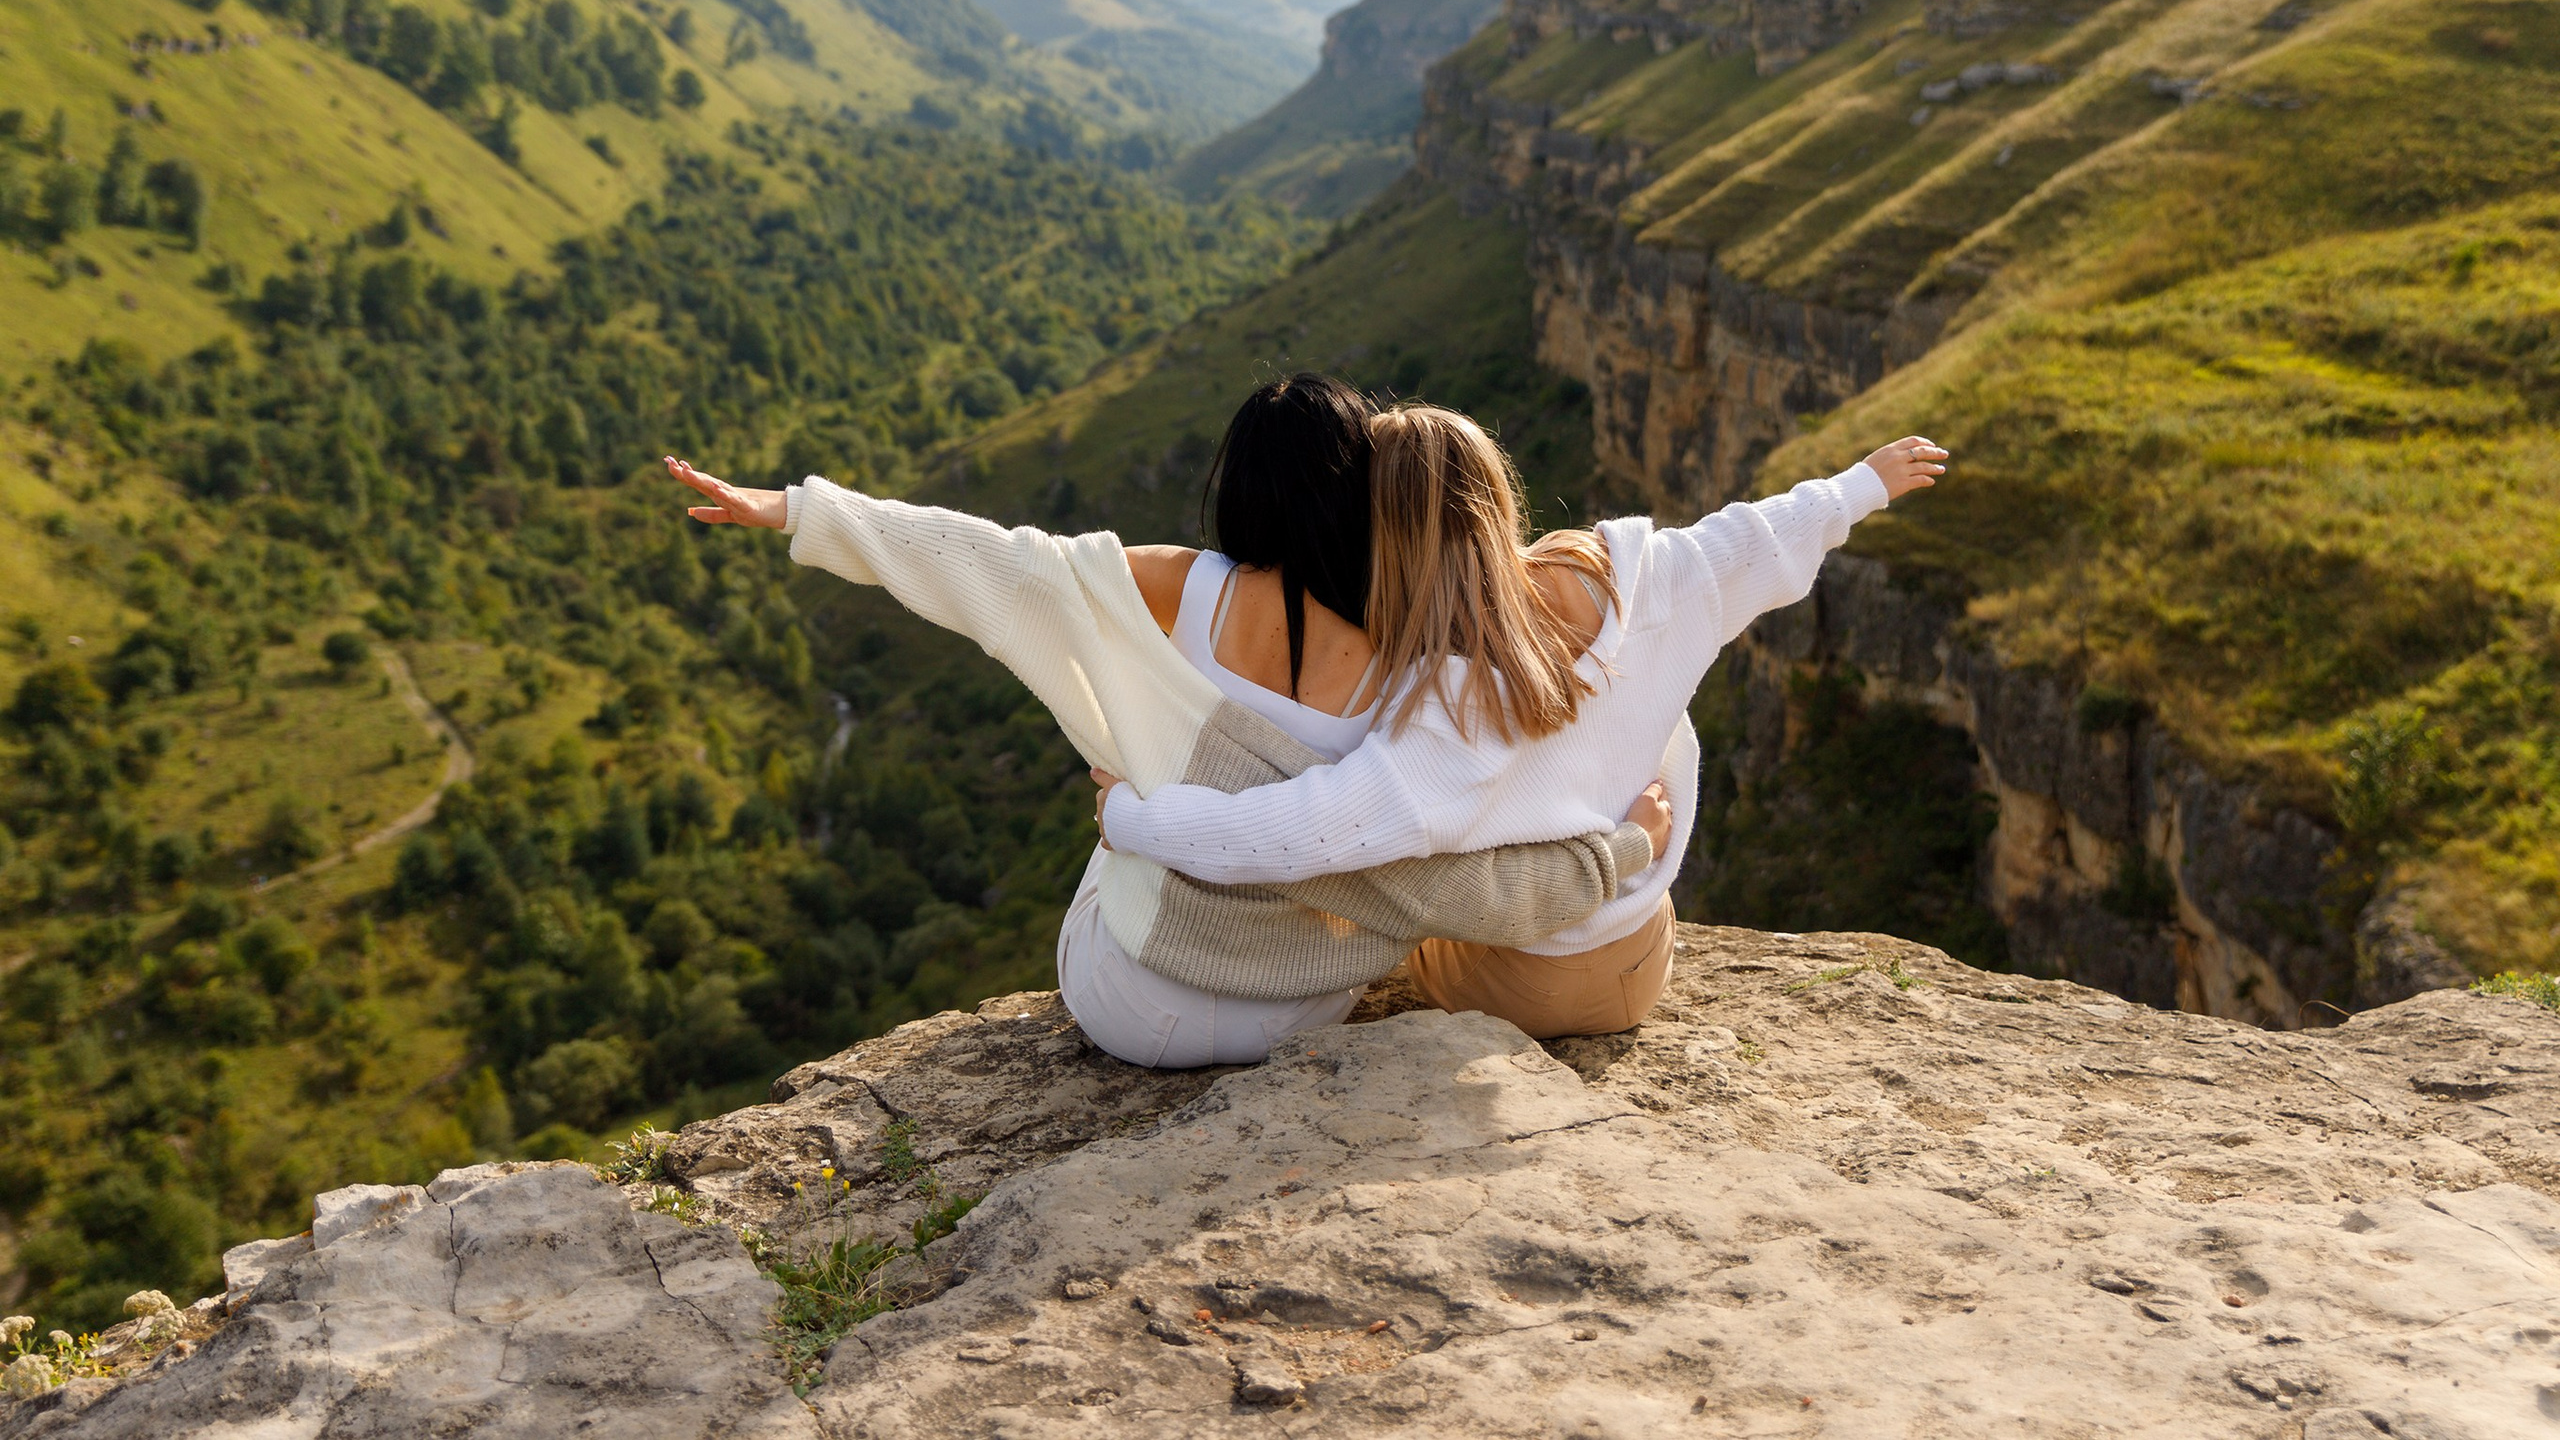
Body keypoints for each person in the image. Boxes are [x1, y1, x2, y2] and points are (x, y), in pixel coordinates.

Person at [662, 373, 1670, 1069]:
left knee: (1129, 803)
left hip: (1131, 1010)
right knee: (1361, 837)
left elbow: (991, 559)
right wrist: (1623, 848)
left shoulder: (1184, 589)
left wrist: (798, 510)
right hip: (1300, 1015)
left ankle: (1138, 813)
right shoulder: (1427, 655)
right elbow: (1448, 870)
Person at [1097, 406, 1949, 1038]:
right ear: (1500, 492)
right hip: (1642, 956)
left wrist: (1133, 815)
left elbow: (1294, 835)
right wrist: (1865, 482)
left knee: (1390, 920)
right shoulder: (1644, 576)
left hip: (1528, 983)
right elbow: (1760, 536)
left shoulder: (1440, 706)